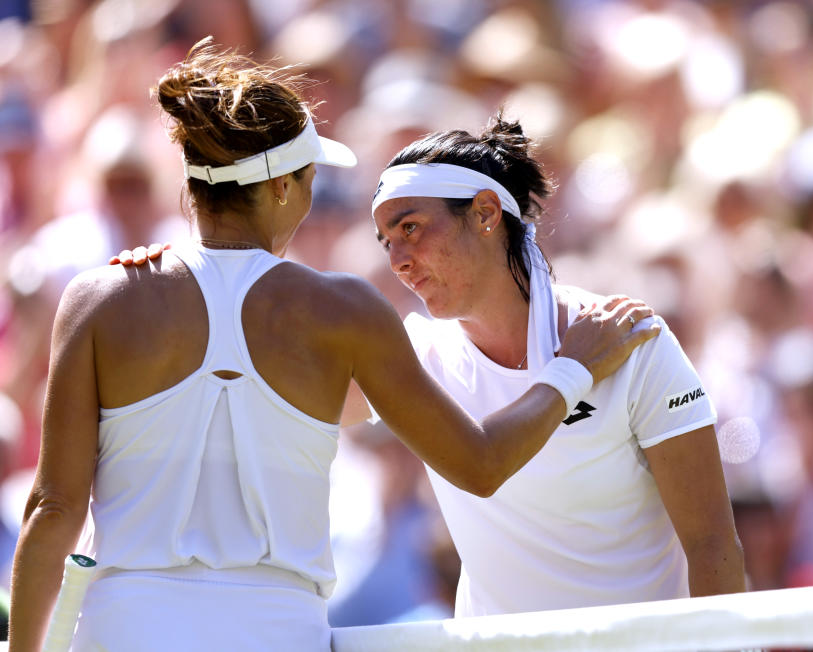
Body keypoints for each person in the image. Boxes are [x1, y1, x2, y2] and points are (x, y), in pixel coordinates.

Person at [8, 42, 656, 652]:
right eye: (311, 179)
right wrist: (573, 370)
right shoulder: (345, 312)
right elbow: (481, 464)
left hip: (124, 631)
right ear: (284, 187)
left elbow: (53, 508)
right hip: (274, 634)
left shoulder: (99, 297)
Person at [117, 114, 746, 617]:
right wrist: (182, 279)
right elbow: (253, 395)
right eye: (386, 241)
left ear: (485, 213)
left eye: (412, 228)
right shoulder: (412, 355)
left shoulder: (632, 340)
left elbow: (713, 544)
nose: (398, 258)